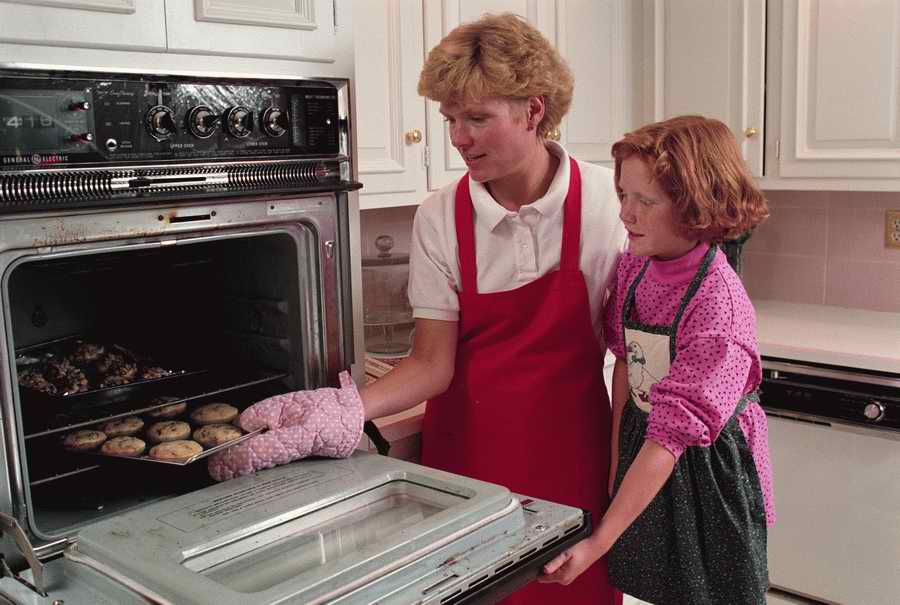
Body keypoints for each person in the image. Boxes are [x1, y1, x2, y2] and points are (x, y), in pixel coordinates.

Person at [210, 13, 626, 604]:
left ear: (533, 111)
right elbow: (432, 364)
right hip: (468, 466)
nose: (458, 137)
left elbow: (634, 358)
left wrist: (624, 469)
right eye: (450, 118)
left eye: (476, 118)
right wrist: (344, 409)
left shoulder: (610, 203)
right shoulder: (441, 215)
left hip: (575, 459)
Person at [539, 115, 775, 605]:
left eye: (645, 201)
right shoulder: (635, 266)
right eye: (623, 195)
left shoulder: (719, 310)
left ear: (696, 205)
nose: (626, 213)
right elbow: (626, 362)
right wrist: (616, 462)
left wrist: (598, 542)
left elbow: (670, 438)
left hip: (707, 467)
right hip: (645, 446)